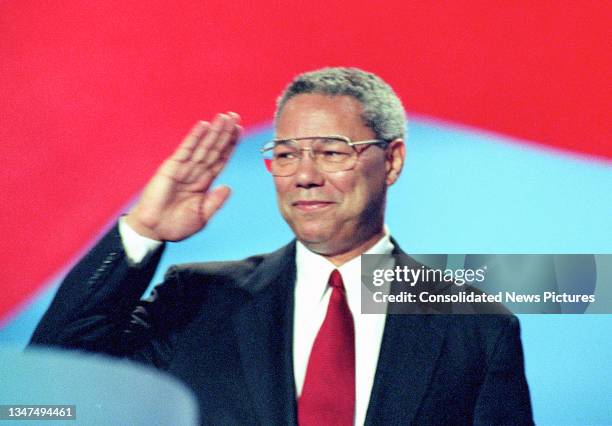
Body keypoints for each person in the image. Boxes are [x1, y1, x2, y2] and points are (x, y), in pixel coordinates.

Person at [31, 67, 533, 425]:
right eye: (287, 155)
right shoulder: (198, 300)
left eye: (333, 152)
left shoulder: (475, 327)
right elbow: (53, 380)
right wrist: (144, 230)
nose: (305, 176)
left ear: (393, 160)